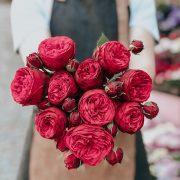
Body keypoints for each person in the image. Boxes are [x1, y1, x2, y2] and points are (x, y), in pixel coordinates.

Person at [11, 0, 159, 180]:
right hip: (57, 126)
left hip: (116, 123)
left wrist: (102, 103)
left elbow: (144, 66)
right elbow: (37, 55)